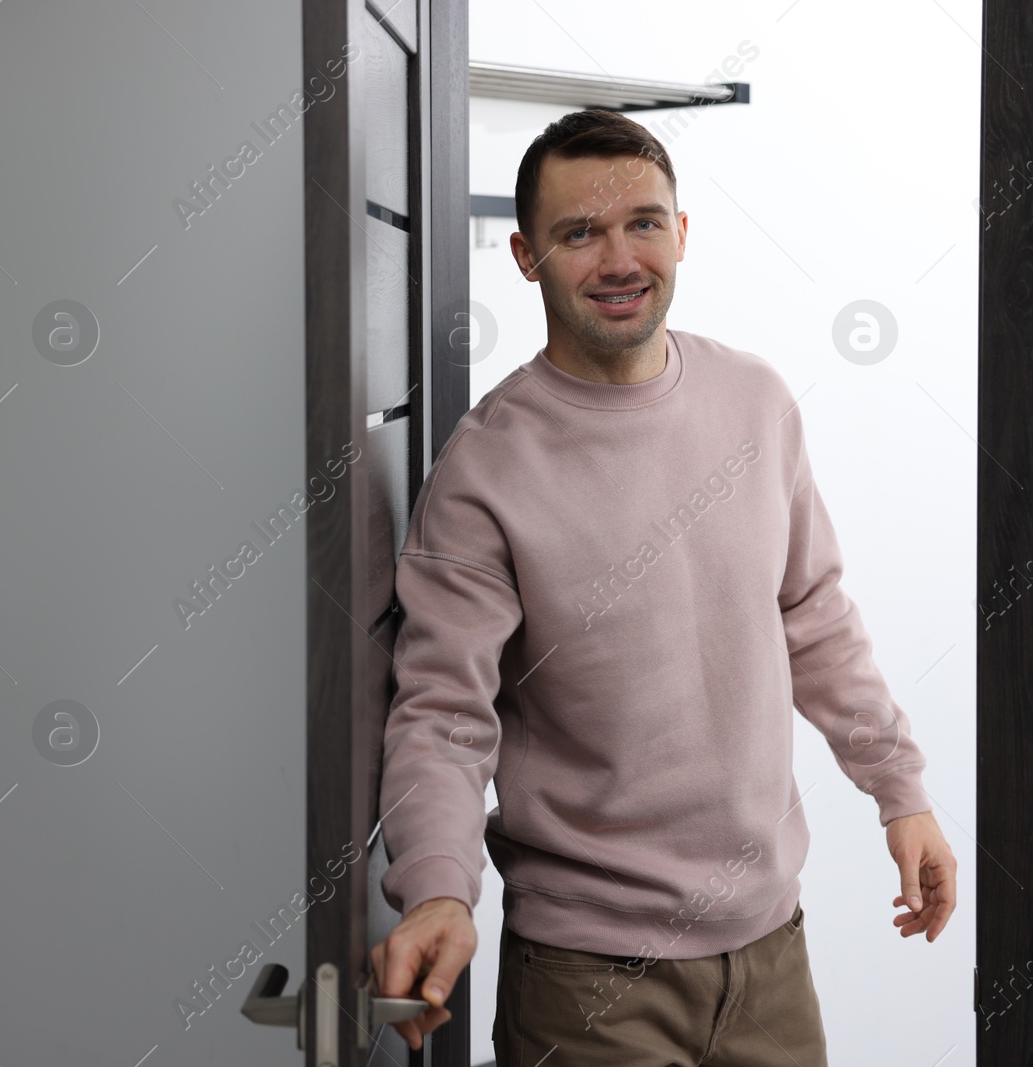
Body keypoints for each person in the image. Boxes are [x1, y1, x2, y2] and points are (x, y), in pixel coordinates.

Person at [368, 108, 955, 1066]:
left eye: (642, 221)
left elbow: (815, 618)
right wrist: (439, 888)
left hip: (770, 954)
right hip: (584, 980)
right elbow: (441, 711)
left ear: (681, 233)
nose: (617, 258)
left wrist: (901, 789)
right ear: (526, 256)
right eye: (578, 232)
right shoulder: (485, 468)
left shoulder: (756, 401)